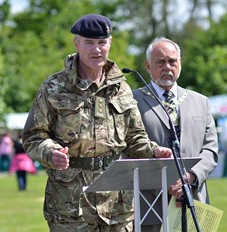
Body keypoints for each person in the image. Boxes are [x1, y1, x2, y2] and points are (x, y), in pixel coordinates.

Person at [21, 14, 172, 232]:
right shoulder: (54, 87)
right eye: (89, 43)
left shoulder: (121, 88)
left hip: (118, 202)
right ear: (77, 43)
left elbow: (134, 136)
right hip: (71, 202)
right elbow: (33, 135)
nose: (97, 49)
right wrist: (50, 152)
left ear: (110, 43)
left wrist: (154, 150)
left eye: (102, 43)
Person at [133, 37, 218, 232]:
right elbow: (128, 148)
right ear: (147, 66)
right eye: (160, 62)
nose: (167, 67)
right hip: (149, 205)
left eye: (172, 61)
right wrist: (166, 183)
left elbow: (210, 150)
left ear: (180, 63)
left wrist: (190, 177)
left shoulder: (201, 101)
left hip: (192, 201)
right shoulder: (132, 101)